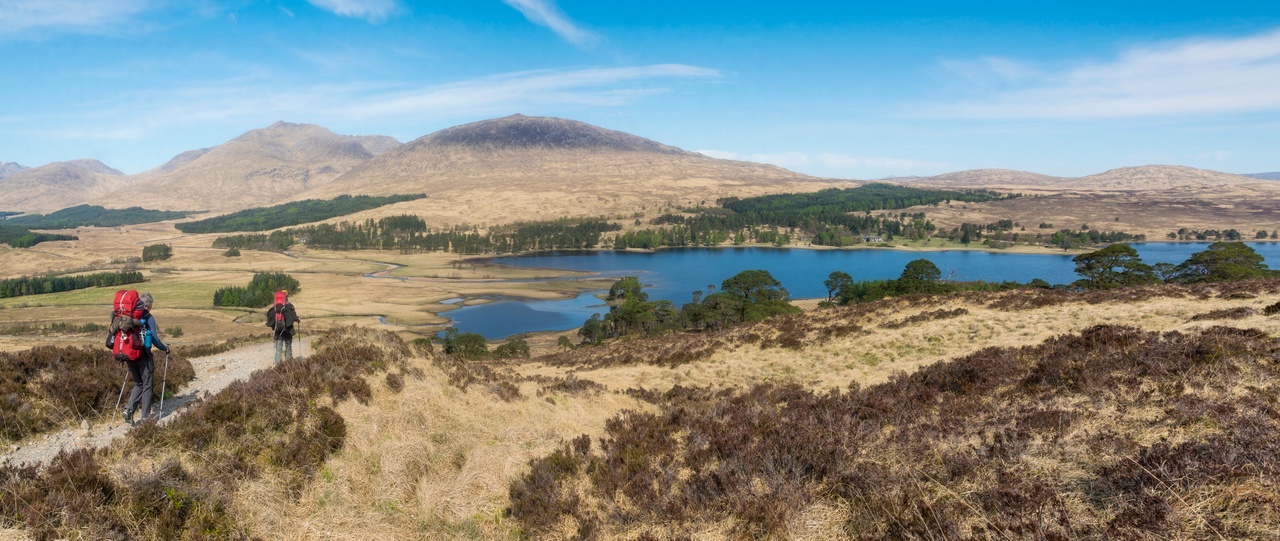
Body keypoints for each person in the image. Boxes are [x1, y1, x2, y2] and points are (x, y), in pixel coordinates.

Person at [123, 292, 171, 425]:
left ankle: (128, 409)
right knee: (147, 385)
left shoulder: (128, 315)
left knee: (139, 383)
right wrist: (165, 348)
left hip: (128, 354)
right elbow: (154, 338)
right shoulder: (148, 317)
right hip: (143, 355)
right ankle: (145, 418)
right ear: (149, 305)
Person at [265, 291, 299, 364]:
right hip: (288, 331)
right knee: (288, 347)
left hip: (278, 332)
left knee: (278, 350)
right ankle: (289, 364)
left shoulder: (274, 309)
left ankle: (278, 366)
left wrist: (275, 327)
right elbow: (295, 318)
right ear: (286, 298)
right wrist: (297, 319)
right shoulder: (290, 307)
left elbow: (270, 321)